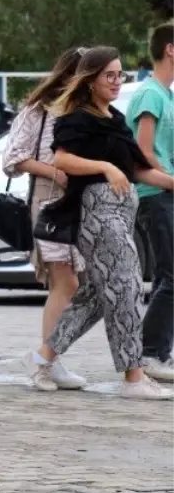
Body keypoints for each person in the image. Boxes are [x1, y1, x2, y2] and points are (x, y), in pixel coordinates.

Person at [31, 46, 174, 400]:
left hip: (122, 213)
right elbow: (63, 159)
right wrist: (104, 167)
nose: (116, 81)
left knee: (97, 295)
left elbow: (139, 169)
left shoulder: (115, 118)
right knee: (125, 286)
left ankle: (43, 358)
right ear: (91, 79)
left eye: (120, 75)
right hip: (97, 214)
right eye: (109, 75)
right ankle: (133, 377)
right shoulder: (76, 118)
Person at [2, 47, 88, 391]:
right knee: (66, 283)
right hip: (48, 199)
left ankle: (50, 358)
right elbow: (13, 158)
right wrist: (57, 171)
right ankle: (44, 361)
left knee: (69, 284)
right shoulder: (39, 110)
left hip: (78, 202)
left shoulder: (85, 111)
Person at [128, 24, 174, 382]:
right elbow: (143, 153)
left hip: (166, 192)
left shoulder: (166, 95)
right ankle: (150, 353)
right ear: (170, 50)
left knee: (167, 275)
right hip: (156, 195)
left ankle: (157, 351)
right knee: (170, 276)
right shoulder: (151, 95)